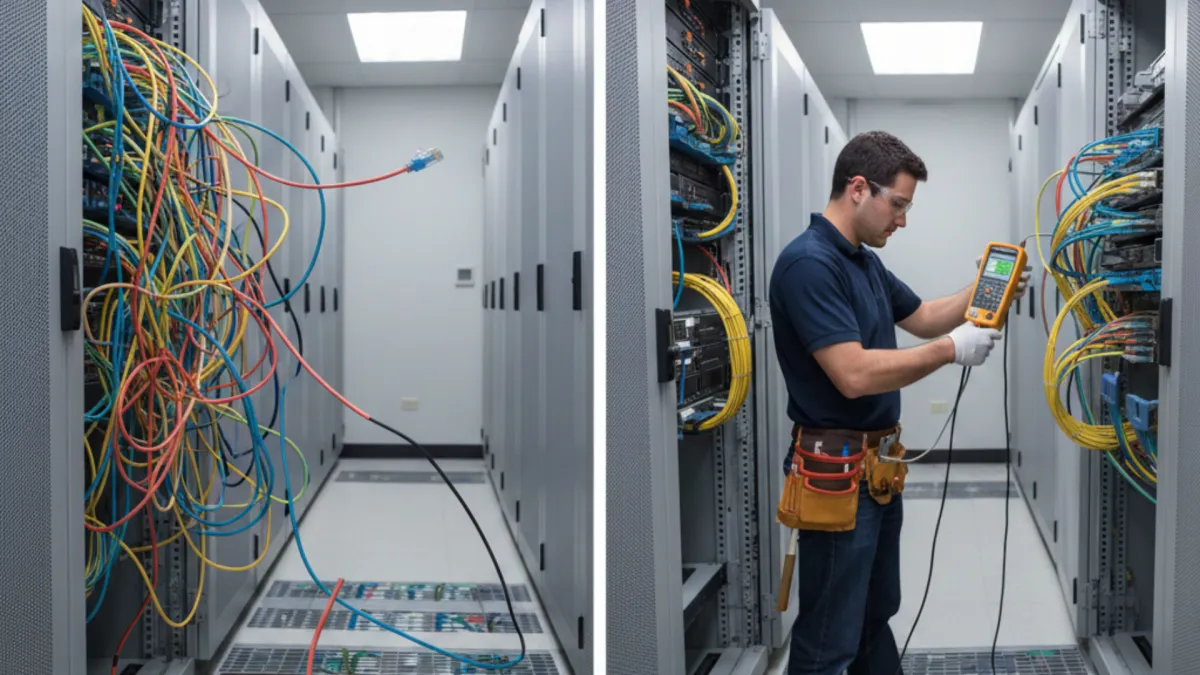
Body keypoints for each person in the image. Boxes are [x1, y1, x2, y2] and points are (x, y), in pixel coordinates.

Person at [767, 130, 1030, 675]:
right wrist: (951, 350)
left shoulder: (863, 262)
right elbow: (853, 374)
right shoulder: (809, 264)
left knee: (873, 614)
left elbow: (925, 316)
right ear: (858, 188)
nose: (903, 221)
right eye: (899, 205)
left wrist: (986, 287)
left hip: (878, 470)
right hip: (836, 476)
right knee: (828, 638)